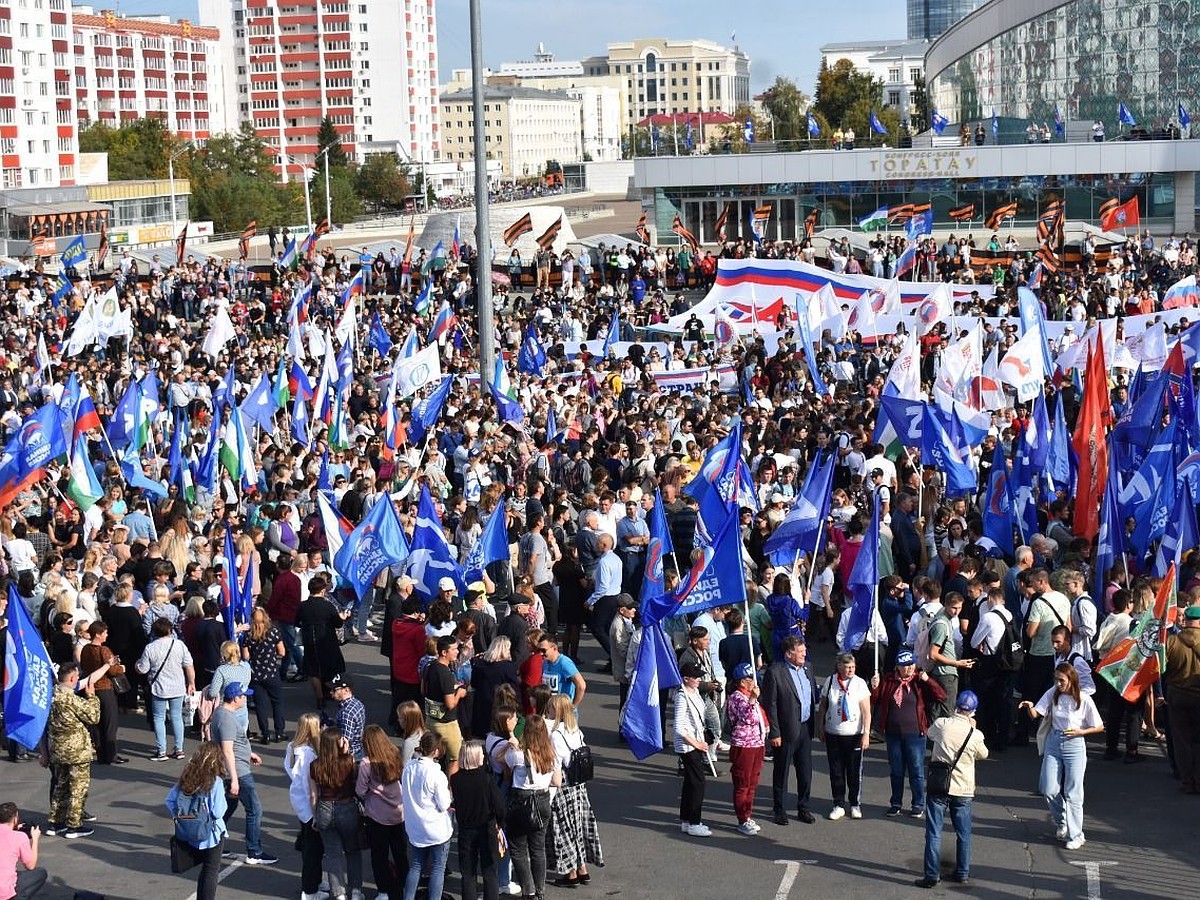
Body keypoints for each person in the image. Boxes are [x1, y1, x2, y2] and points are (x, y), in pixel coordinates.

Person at [1019, 663, 1104, 850]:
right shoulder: (1052, 693)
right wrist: (1029, 706)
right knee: (1049, 788)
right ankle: (1062, 820)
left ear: (1071, 679)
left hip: (1075, 744)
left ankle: (1077, 835)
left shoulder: (1084, 699)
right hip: (1054, 741)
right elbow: (1036, 713)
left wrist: (1081, 732)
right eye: (1056, 679)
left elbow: (1098, 726)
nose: (1058, 684)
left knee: (1073, 792)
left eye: (1062, 680)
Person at [916, 691, 988, 889]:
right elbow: (983, 754)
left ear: (956, 707)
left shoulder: (942, 724)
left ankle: (931, 874)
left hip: (939, 784)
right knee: (963, 833)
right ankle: (962, 872)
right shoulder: (975, 734)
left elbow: (930, 734)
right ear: (973, 712)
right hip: (963, 788)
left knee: (933, 831)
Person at [871, 648, 947, 818]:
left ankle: (918, 804)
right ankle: (896, 803)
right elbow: (875, 700)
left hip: (915, 734)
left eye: (911, 664)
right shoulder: (889, 681)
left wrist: (929, 681)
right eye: (905, 666)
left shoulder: (919, 682)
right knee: (896, 770)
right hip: (893, 734)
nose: (909, 668)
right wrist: (875, 687)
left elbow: (941, 696)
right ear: (897, 667)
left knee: (916, 771)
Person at [210, 681, 277, 865]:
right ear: (235, 698)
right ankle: (254, 852)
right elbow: (227, 749)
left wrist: (249, 753)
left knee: (227, 808)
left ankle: (214, 844)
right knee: (254, 810)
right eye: (244, 695)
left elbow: (234, 744)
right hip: (238, 772)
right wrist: (234, 779)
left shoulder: (223, 714)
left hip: (235, 767)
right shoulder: (226, 719)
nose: (246, 698)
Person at [545, 695, 603, 886]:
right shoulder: (575, 729)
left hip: (565, 785)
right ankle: (583, 869)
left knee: (564, 827)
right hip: (579, 785)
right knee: (579, 825)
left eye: (551, 708)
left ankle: (571, 873)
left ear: (558, 711)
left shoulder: (555, 735)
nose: (549, 711)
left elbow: (556, 765)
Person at [762, 636, 819, 826]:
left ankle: (804, 808)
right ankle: (779, 810)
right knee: (782, 772)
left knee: (805, 773)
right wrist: (775, 733)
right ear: (788, 654)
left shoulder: (808, 668)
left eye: (804, 650)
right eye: (800, 651)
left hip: (805, 727)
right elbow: (770, 704)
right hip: (786, 731)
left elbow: (813, 696)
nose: (804, 654)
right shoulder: (775, 672)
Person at [503, 714, 561, 897]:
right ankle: (540, 891)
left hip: (521, 800)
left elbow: (504, 767)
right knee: (538, 848)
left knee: (518, 848)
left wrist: (511, 737)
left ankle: (528, 891)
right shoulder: (551, 754)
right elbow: (557, 781)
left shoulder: (517, 755)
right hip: (543, 800)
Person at [166, 742, 229, 900]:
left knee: (205, 869)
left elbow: (170, 800)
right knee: (210, 871)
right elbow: (218, 811)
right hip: (212, 834)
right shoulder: (216, 782)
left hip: (189, 831)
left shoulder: (186, 778)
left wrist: (180, 817)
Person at [45, 663, 100, 839]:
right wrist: (92, 697)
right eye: (76, 677)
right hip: (76, 750)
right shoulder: (71, 699)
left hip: (57, 749)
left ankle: (55, 822)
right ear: (71, 679)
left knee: (61, 786)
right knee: (78, 788)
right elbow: (93, 717)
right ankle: (74, 825)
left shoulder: (50, 695)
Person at [309, 727, 364, 900]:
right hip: (347, 806)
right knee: (352, 851)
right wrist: (347, 752)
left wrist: (315, 816)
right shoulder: (349, 761)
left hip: (325, 807)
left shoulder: (315, 765)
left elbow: (313, 794)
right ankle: (355, 891)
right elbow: (356, 782)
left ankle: (339, 893)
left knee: (333, 854)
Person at [816, 652, 871, 820]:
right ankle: (838, 803)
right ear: (839, 666)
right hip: (834, 733)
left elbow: (866, 711)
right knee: (836, 770)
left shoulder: (860, 683)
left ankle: (855, 803)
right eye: (847, 667)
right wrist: (820, 726)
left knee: (854, 771)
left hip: (854, 734)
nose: (850, 670)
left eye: (853, 667)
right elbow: (823, 706)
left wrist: (866, 734)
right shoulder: (830, 681)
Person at [449, 740, 505, 900]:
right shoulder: (486, 779)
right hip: (486, 828)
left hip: (466, 830)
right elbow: (500, 805)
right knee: (489, 871)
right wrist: (500, 824)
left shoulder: (456, 779)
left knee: (468, 873)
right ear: (476, 757)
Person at [401, 731, 454, 900]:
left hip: (415, 827)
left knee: (416, 866)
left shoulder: (409, 767)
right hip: (436, 829)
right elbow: (445, 804)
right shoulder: (436, 774)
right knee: (438, 868)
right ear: (437, 751)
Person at [135, 616, 196, 761]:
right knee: (177, 717)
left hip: (159, 687)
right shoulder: (179, 645)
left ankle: (161, 750)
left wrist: (136, 665)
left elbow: (143, 669)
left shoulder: (150, 647)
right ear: (169, 630)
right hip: (177, 685)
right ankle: (179, 749)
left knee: (158, 718)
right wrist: (191, 682)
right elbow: (189, 665)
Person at [357, 724, 406, 900]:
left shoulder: (366, 763)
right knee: (400, 851)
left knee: (379, 855)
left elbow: (360, 790)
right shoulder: (394, 754)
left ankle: (384, 890)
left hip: (377, 815)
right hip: (399, 812)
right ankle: (405, 885)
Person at [285, 712, 325, 900]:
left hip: (300, 805)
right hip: (309, 807)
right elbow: (310, 787)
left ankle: (315, 882)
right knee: (313, 851)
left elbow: (290, 772)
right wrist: (316, 814)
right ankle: (310, 890)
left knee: (310, 848)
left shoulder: (292, 748)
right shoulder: (308, 754)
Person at [725, 661, 767, 835]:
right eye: (751, 679)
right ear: (742, 681)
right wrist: (752, 699)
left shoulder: (750, 696)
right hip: (744, 745)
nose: (754, 682)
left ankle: (748, 815)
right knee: (743, 783)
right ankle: (742, 819)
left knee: (752, 782)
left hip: (757, 743)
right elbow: (746, 718)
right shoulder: (736, 697)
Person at [298, 573, 349, 710]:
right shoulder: (327, 606)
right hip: (327, 640)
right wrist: (343, 617)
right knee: (331, 667)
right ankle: (331, 691)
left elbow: (296, 621)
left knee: (314, 670)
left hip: (310, 640)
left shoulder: (303, 606)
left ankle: (320, 697)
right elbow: (338, 624)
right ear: (322, 590)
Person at [674, 661, 712, 836]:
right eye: (695, 677)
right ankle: (694, 822)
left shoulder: (694, 691)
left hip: (696, 741)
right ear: (686, 679)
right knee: (698, 783)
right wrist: (696, 744)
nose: (699, 679)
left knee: (690, 782)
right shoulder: (682, 697)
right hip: (688, 746)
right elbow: (679, 727)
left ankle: (686, 819)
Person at [1165, 604, 1200, 792]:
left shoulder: (1172, 641)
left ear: (1185, 620)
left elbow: (1162, 667)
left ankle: (1187, 780)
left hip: (1177, 695)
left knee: (1182, 740)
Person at [423, 634, 468, 773]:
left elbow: (423, 689)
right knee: (456, 758)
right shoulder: (446, 675)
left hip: (430, 719)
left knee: (434, 755)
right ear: (444, 652)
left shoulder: (430, 666)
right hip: (447, 723)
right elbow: (450, 704)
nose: (457, 652)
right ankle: (450, 789)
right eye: (454, 649)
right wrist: (459, 693)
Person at [241, 606, 287, 744]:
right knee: (277, 703)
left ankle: (265, 734)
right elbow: (282, 652)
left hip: (255, 675)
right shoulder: (273, 632)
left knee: (260, 706)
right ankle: (279, 732)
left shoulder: (249, 634)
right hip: (271, 672)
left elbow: (246, 656)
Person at [0, 802, 44, 900]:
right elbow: (31, 866)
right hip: (3, 893)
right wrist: (35, 839)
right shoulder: (20, 837)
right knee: (40, 873)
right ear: (15, 818)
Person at [536, 634, 586, 709]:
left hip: (563, 712)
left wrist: (573, 706)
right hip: (550, 710)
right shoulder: (545, 662)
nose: (541, 653)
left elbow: (581, 685)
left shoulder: (564, 663)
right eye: (539, 650)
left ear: (554, 648)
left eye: (543, 650)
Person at [328, 673, 367, 762]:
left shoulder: (347, 712)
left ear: (346, 690)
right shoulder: (357, 703)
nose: (331, 692)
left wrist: (327, 732)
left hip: (350, 756)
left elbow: (345, 742)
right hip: (359, 749)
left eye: (334, 689)